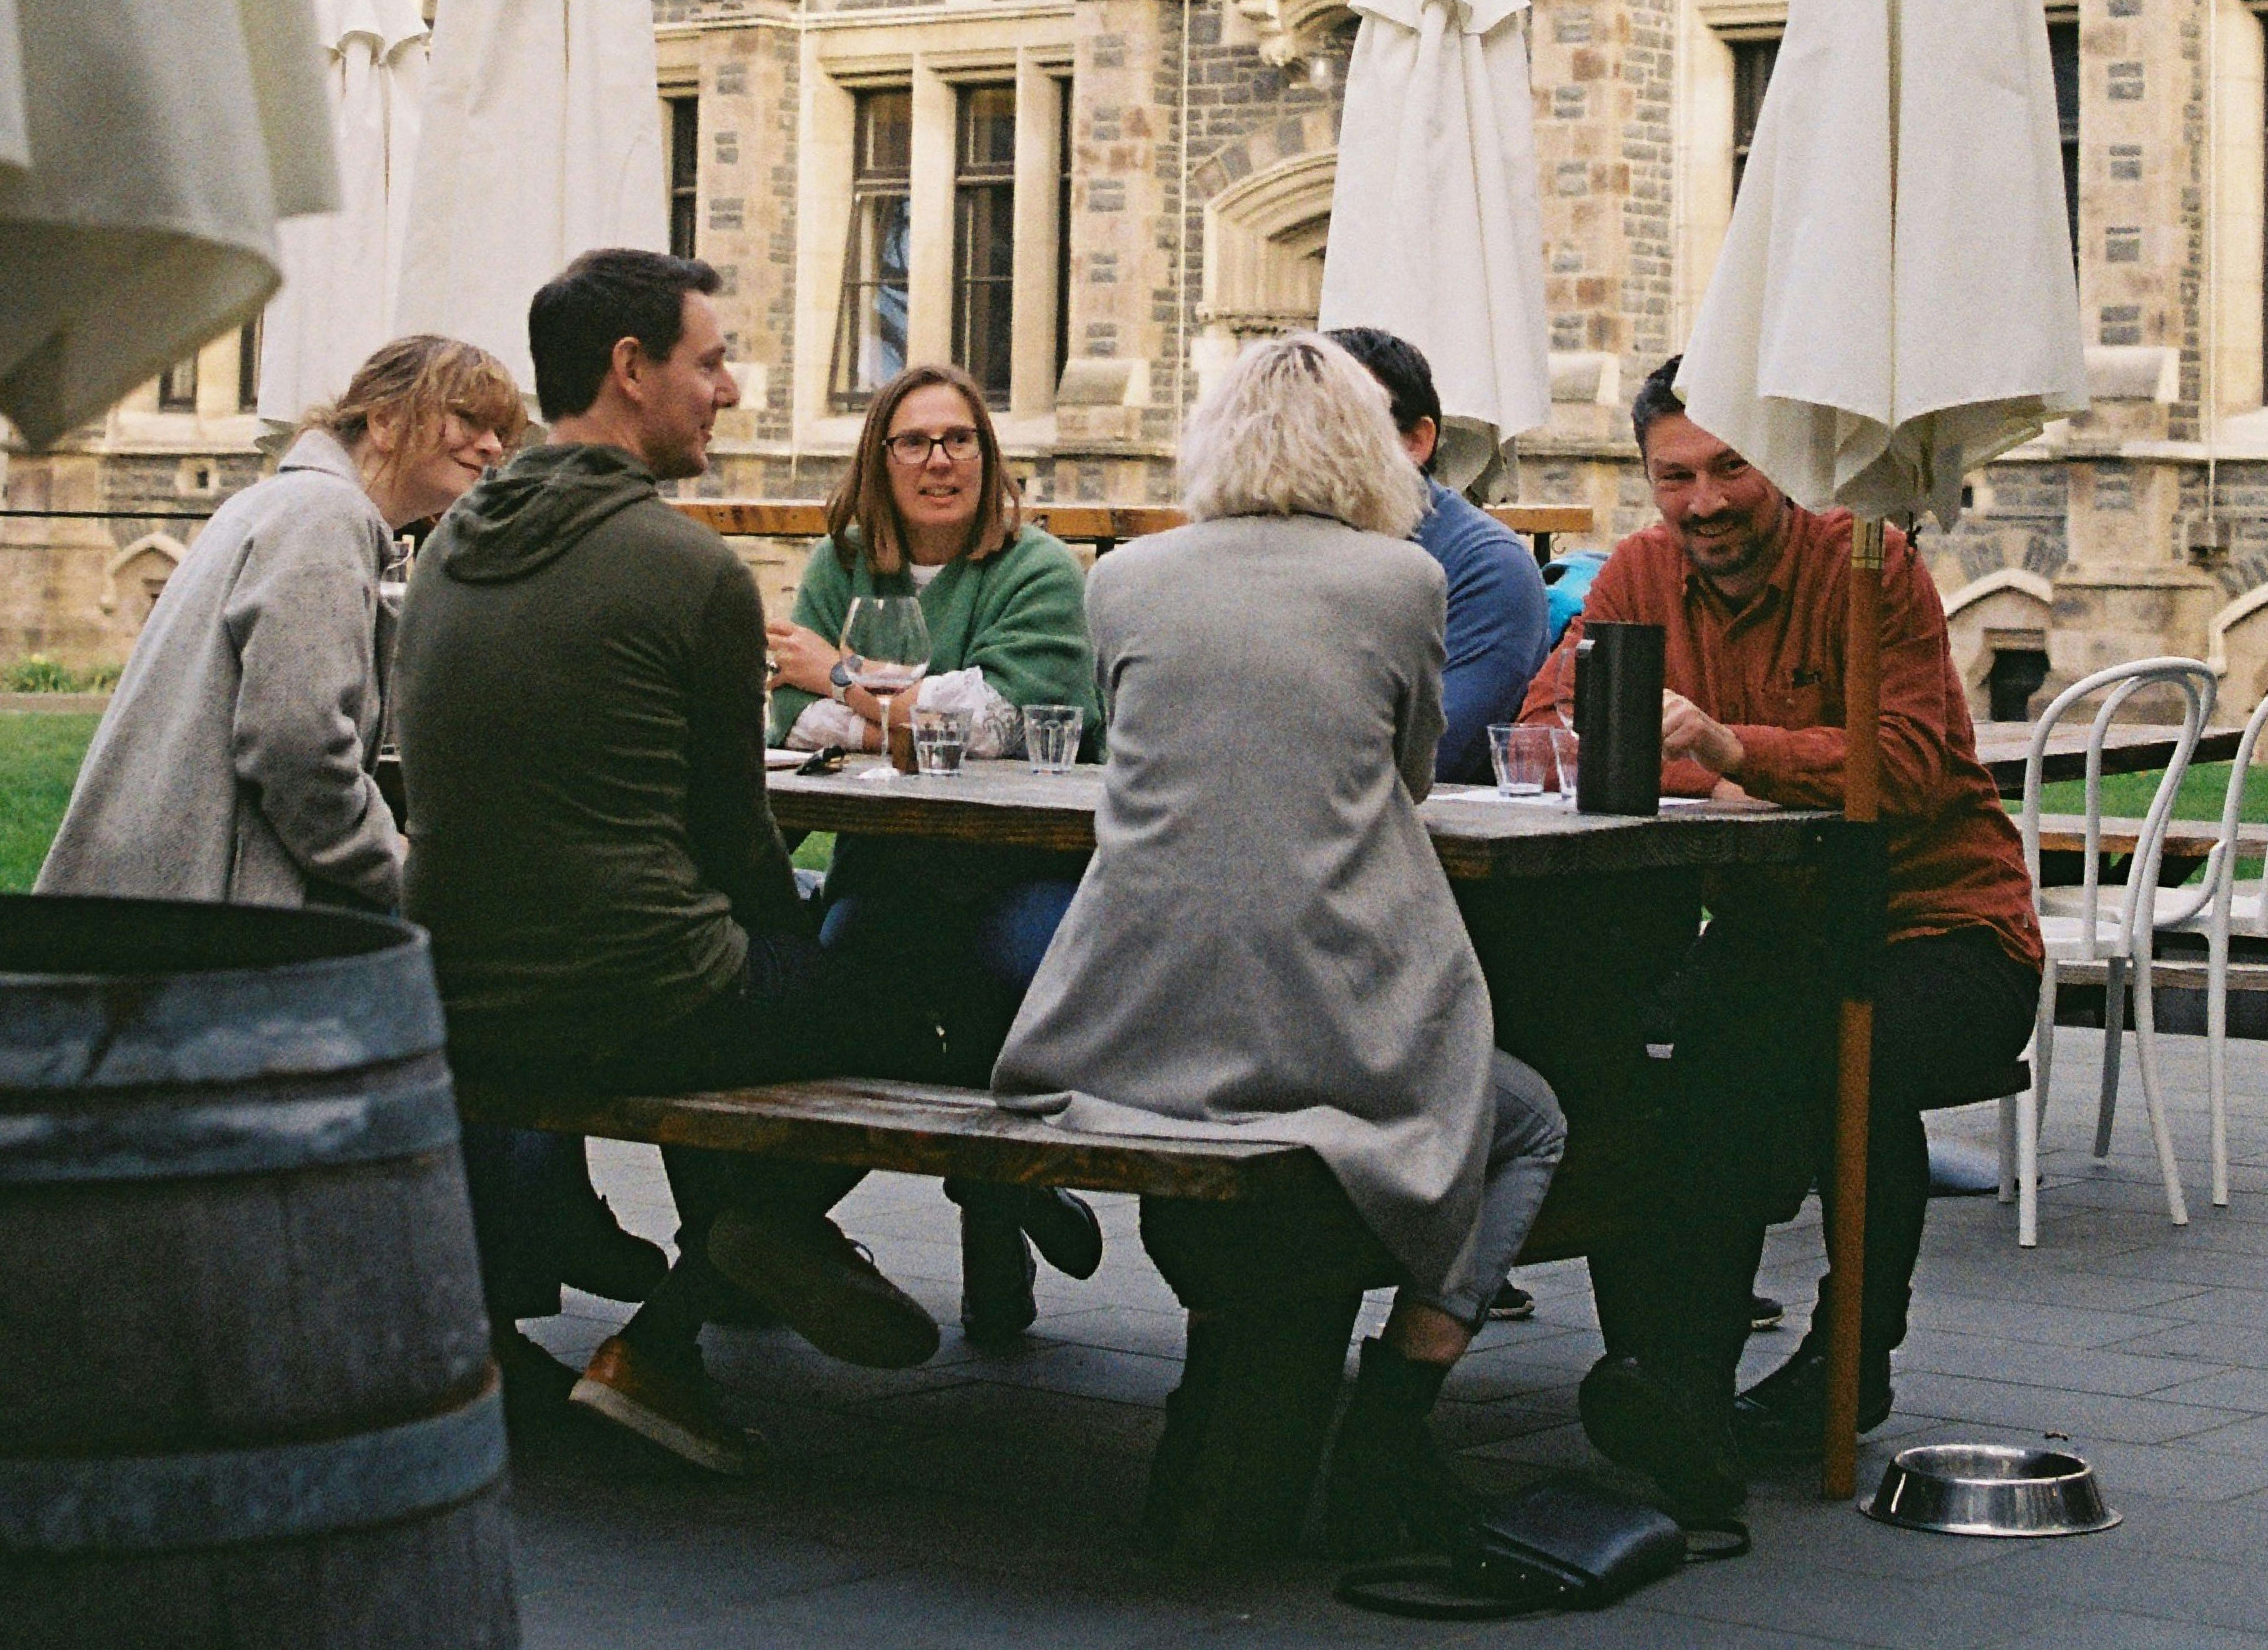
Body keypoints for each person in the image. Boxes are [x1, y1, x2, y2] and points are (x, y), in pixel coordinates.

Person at [994, 333, 1566, 1559]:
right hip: (1330, 1012)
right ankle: (1395, 1409)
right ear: (1372, 447)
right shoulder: (1402, 581)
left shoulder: (1125, 578)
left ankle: (1248, 1398)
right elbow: (1410, 770)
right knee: (1517, 1119)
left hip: (1121, 1021)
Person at [394, 249, 938, 1475]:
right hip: (627, 995)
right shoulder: (687, 569)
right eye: (710, 362)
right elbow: (734, 844)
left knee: (779, 978)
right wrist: (793, 938)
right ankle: (704, 1293)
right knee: (919, 1010)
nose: (731, 390)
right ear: (629, 371)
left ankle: (744, 1258)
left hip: (452, 993)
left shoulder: (448, 544)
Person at [1521, 356, 2043, 1519]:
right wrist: (1718, 777)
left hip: (1945, 925)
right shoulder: (1640, 574)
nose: (1701, 502)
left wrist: (1734, 748)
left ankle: (1836, 1358)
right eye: (1673, 477)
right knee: (1685, 1055)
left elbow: (1905, 763)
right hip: (1772, 926)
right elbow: (1551, 731)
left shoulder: (1870, 564)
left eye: (1728, 468)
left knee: (1810, 1054)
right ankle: (1692, 1389)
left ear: (1781, 466)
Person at [766, 362, 1107, 1344]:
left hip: (1018, 871)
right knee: (840, 993)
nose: (938, 461)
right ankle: (994, 1186)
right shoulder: (842, 563)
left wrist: (844, 679)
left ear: (986, 456)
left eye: (959, 439)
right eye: (913, 441)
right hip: (892, 869)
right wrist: (910, 712)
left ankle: (996, 1210)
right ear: (880, 457)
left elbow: (1011, 718)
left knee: (1016, 982)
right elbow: (795, 724)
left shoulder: (1036, 567)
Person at [38, 335, 522, 911]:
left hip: (149, 899)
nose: (493, 447)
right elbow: (297, 743)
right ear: (387, 421)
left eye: (502, 433)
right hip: (202, 918)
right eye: (469, 420)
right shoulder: (324, 515)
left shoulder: (280, 502)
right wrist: (401, 872)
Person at [1323, 326, 1550, 785]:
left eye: (1345, 428)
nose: (1311, 447)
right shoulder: (1269, 553)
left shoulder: (1485, 567)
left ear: (1416, 442)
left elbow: (1432, 757)